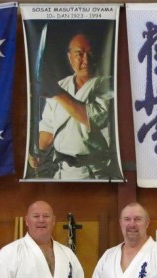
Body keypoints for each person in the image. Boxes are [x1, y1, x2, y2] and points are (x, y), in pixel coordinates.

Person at [29, 32, 119, 181]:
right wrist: (38, 151)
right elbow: (49, 128)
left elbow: (96, 119)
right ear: (70, 58)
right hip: (62, 172)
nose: (86, 60)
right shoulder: (61, 85)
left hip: (94, 174)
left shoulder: (107, 84)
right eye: (79, 54)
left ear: (100, 56)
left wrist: (56, 93)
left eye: (91, 53)